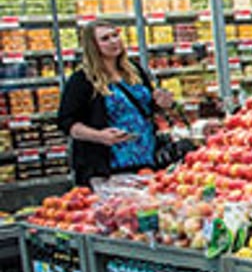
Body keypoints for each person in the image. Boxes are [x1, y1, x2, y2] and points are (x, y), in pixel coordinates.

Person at [57, 21, 174, 186]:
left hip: (147, 158)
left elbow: (148, 108)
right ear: (93, 47)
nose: (113, 41)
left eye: (115, 35)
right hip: (108, 165)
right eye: (105, 39)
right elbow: (66, 122)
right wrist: (99, 136)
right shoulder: (82, 80)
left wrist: (163, 103)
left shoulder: (134, 71)